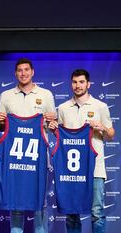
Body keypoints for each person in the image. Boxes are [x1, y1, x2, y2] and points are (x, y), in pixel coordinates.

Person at [48, 69, 115, 233]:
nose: (78, 86)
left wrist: (103, 128)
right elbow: (61, 136)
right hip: (72, 171)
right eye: (75, 82)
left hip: (95, 169)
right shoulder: (63, 108)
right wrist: (52, 128)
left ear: (88, 84)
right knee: (71, 214)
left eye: (81, 82)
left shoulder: (101, 106)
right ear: (71, 84)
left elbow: (111, 135)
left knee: (97, 212)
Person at [0, 58, 56, 233]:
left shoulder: (45, 95)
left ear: (32, 72)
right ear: (16, 73)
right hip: (14, 159)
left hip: (37, 158)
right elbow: (1, 127)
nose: (23, 73)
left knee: (39, 203)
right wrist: (1, 122)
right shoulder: (6, 96)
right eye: (20, 70)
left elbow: (51, 124)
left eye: (26, 70)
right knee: (16, 203)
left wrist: (50, 123)